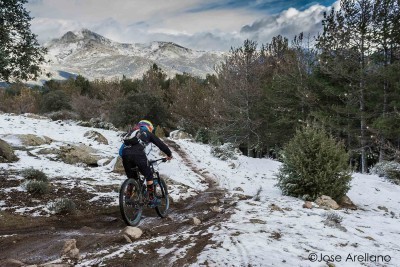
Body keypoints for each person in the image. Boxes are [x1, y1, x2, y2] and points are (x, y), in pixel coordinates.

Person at [119, 119, 172, 207]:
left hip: (125, 156)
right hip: (138, 155)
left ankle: (128, 197)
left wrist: (129, 157)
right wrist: (169, 154)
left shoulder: (131, 134)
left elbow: (121, 152)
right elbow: (160, 144)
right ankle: (151, 199)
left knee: (132, 177)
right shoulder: (148, 134)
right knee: (149, 175)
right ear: (149, 127)